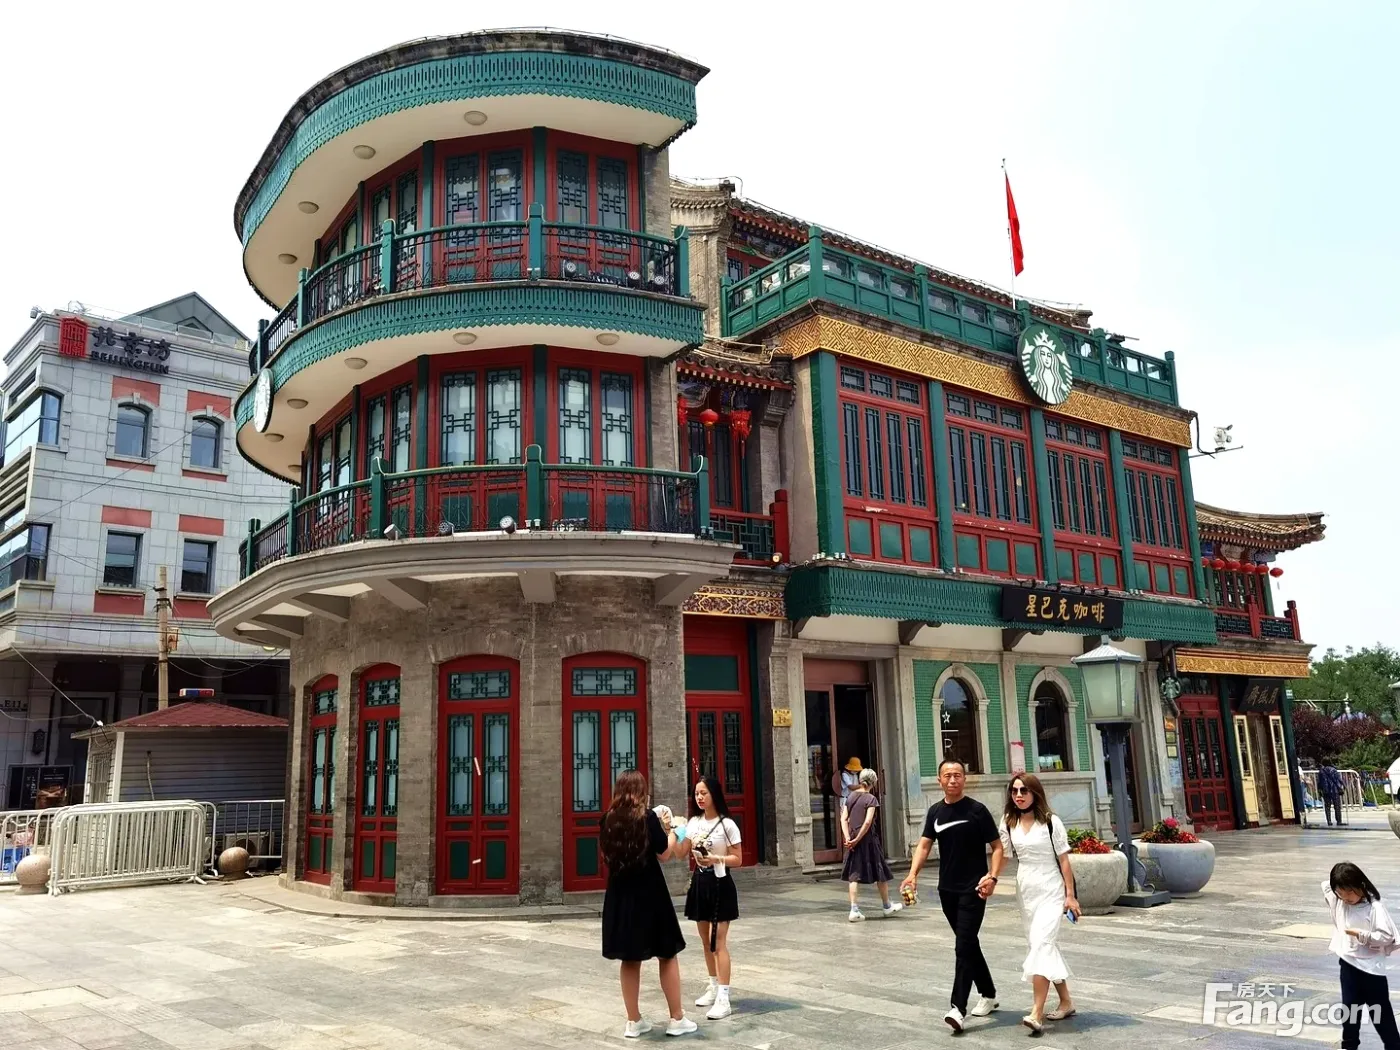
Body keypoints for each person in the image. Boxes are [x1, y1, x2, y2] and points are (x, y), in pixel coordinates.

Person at [900, 758, 1005, 1032]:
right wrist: (912, 874)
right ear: (939, 780)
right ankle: (989, 993)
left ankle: (958, 1009)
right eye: (947, 775)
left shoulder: (977, 810)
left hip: (975, 889)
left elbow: (997, 847)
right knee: (968, 943)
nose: (953, 780)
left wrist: (992, 877)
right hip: (947, 890)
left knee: (962, 945)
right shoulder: (935, 812)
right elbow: (924, 846)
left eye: (958, 775)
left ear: (964, 779)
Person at [600, 770, 697, 1038]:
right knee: (667, 953)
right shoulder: (647, 818)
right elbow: (664, 854)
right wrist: (674, 831)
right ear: (641, 791)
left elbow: (606, 855)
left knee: (630, 958)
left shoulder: (607, 819)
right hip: (650, 894)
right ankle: (677, 1018)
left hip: (620, 896)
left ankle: (633, 1021)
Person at [999, 773, 1080, 1034]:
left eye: (1024, 790)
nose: (1018, 796)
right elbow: (1004, 856)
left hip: (1051, 887)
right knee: (1041, 945)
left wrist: (1070, 895)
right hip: (1026, 889)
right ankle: (1066, 1001)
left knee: (1042, 944)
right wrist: (991, 877)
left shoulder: (1050, 821)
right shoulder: (1008, 821)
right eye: (1014, 791)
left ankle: (1036, 1013)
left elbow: (1064, 860)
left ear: (1035, 793)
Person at [681, 775, 743, 1021]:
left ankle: (724, 997)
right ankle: (713, 985)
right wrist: (672, 829)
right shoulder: (694, 823)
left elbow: (738, 859)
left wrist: (716, 859)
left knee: (718, 941)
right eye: (697, 793)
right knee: (706, 941)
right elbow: (679, 851)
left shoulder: (727, 824)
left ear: (714, 794)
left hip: (720, 883)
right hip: (700, 882)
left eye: (704, 793)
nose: (699, 797)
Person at [1322, 861, 1400, 1049]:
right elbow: (1326, 885)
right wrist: (1339, 883)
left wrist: (1362, 935)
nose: (1345, 898)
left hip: (1371, 970)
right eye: (1340, 893)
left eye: (1349, 892)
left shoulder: (1374, 908)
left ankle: (1394, 1046)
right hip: (1348, 964)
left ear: (1361, 885)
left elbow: (1387, 936)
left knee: (1380, 1012)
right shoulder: (1339, 902)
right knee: (1349, 1010)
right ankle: (1349, 1046)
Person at [841, 767, 901, 922]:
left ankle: (854, 910)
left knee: (853, 874)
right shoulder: (871, 799)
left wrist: (848, 838)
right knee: (880, 870)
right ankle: (887, 906)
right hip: (868, 840)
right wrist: (857, 839)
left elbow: (843, 819)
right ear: (873, 782)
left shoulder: (850, 797)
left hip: (852, 838)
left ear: (861, 780)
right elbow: (867, 822)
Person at [1320, 759, 1345, 826]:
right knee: (1337, 806)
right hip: (1335, 790)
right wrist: (1342, 787)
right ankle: (1339, 821)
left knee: (1327, 806)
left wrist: (1320, 790)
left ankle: (1329, 821)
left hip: (1326, 791)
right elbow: (1338, 780)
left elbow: (1320, 782)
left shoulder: (1321, 771)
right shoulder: (1334, 770)